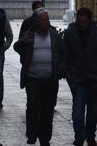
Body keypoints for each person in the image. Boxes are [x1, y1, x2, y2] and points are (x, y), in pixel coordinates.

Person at [13, 9, 65, 146]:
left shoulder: (54, 36)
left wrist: (60, 70)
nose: (46, 22)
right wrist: (24, 43)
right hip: (32, 78)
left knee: (48, 110)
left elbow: (63, 53)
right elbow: (16, 47)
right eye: (43, 20)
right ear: (36, 22)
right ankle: (31, 134)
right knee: (32, 107)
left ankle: (45, 138)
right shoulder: (29, 35)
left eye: (47, 20)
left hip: (50, 79)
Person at [62, 7, 97, 146]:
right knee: (78, 109)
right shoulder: (70, 32)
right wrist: (67, 72)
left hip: (95, 77)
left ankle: (91, 136)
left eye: (84, 21)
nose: (82, 24)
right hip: (77, 77)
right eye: (80, 21)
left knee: (93, 109)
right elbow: (65, 53)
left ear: (90, 20)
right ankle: (80, 136)